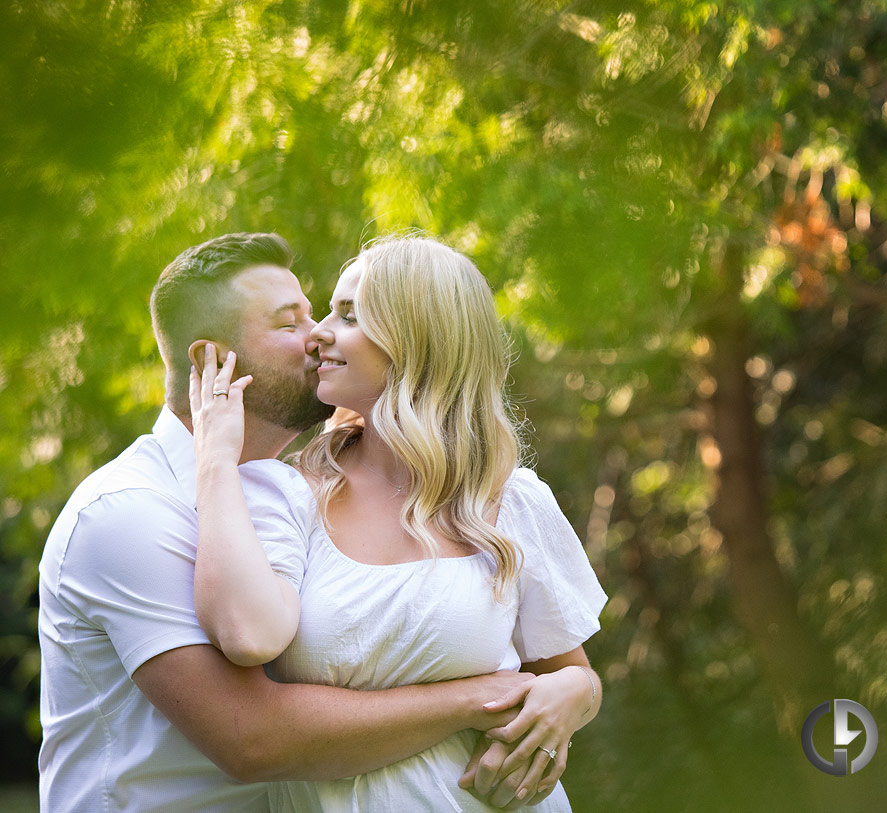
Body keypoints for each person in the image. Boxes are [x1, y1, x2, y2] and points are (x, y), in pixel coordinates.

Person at [38, 233, 543, 812]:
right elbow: (253, 738)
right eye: (289, 325)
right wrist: (481, 698)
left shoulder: (289, 496)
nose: (320, 335)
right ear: (212, 362)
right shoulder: (130, 514)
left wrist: (573, 688)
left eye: (321, 313)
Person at [189, 233, 607, 811]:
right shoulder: (284, 494)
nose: (318, 334)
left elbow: (573, 673)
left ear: (416, 339)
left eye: (349, 315)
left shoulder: (512, 500)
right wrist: (213, 459)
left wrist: (574, 694)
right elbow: (246, 636)